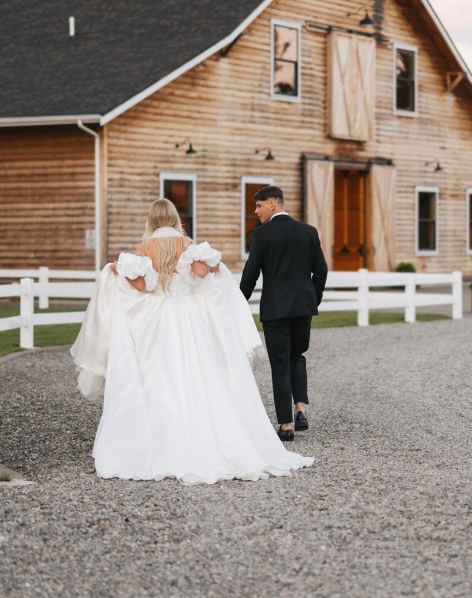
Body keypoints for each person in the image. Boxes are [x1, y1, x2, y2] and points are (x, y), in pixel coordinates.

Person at [70, 198, 312, 483]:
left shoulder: (146, 247)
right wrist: (210, 267)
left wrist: (118, 270)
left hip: (159, 318)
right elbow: (199, 274)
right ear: (175, 218)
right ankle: (207, 430)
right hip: (190, 315)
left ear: (152, 219)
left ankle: (165, 434)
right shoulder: (188, 245)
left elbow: (143, 285)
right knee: (202, 372)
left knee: (160, 376)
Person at [239, 185, 328, 441]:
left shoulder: (261, 235)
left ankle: (286, 425)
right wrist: (313, 299)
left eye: (258, 206)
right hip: (303, 307)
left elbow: (251, 274)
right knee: (297, 356)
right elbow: (320, 271)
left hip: (276, 309)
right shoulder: (308, 232)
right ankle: (301, 409)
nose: (256, 212)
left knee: (280, 364)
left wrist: (238, 302)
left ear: (272, 205)